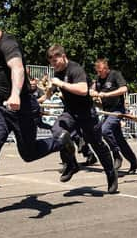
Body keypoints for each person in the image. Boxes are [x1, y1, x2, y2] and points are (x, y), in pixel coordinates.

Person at [0, 14, 73, 217]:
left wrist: (15, 94)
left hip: (21, 107)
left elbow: (17, 68)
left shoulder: (8, 43)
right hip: (2, 109)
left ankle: (60, 141)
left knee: (28, 154)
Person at [46, 44, 119, 191]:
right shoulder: (57, 73)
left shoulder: (75, 69)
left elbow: (83, 89)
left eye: (55, 61)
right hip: (70, 113)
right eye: (51, 62)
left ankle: (111, 174)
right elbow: (48, 95)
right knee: (58, 131)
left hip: (86, 113)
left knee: (97, 144)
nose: (53, 65)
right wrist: (47, 90)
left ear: (63, 56)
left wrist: (61, 84)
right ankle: (71, 164)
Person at [90, 58, 137, 174]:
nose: (99, 74)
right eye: (97, 71)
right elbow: (94, 91)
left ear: (106, 68)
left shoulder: (115, 75)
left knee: (105, 130)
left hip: (117, 110)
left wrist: (106, 94)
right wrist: (92, 93)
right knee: (119, 139)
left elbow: (124, 89)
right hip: (107, 111)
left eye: (101, 71)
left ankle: (116, 154)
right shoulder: (98, 79)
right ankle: (134, 161)